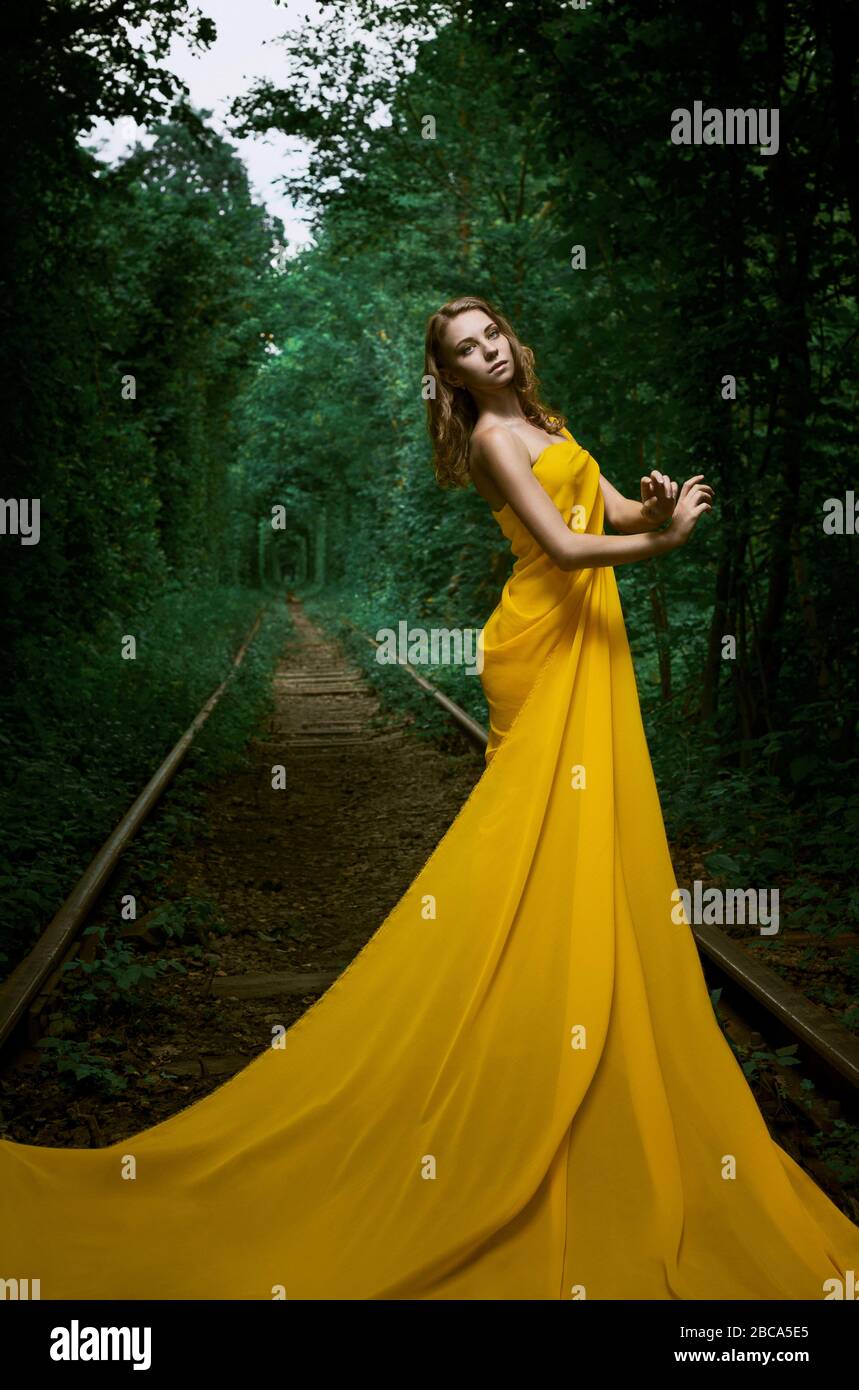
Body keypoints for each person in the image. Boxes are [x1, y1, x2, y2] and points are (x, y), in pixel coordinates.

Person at [0, 296, 857, 1301]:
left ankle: (577, 1024)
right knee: (530, 849)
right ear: (447, 375)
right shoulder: (495, 438)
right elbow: (569, 552)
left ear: (508, 339)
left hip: (593, 641)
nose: (486, 350)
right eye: (463, 348)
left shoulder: (548, 418)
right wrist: (663, 551)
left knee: (592, 846)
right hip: (544, 643)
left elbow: (608, 514)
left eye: (490, 333)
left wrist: (657, 507)